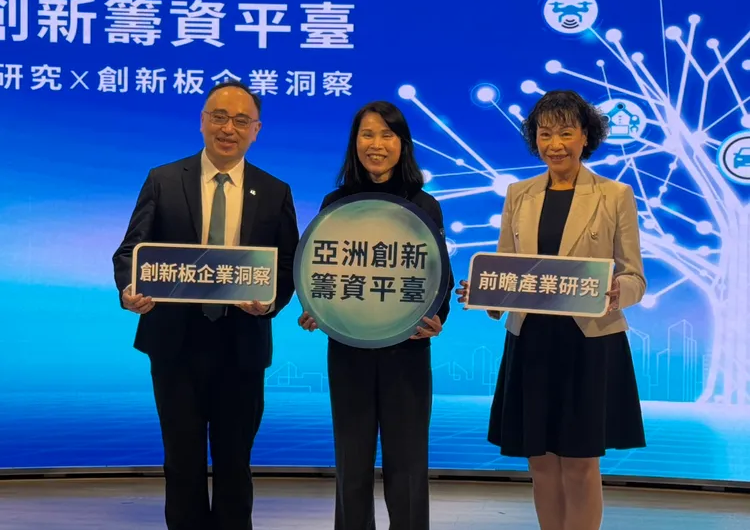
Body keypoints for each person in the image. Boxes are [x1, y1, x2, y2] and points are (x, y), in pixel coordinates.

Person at [112, 80, 300, 530]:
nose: (228, 128)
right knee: (182, 459)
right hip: (175, 344)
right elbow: (130, 252)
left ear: (256, 130)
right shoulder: (163, 179)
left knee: (235, 461)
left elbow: (288, 265)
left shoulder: (274, 190)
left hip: (242, 344)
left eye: (240, 120)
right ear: (202, 121)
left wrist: (269, 303)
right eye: (219, 117)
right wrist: (129, 289)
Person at [456, 90, 646, 530]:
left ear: (585, 137)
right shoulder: (518, 194)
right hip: (531, 341)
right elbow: (507, 268)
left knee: (580, 464)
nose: (554, 144)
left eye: (565, 133)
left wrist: (618, 291)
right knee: (540, 462)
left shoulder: (615, 195)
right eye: (545, 134)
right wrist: (485, 294)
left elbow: (635, 276)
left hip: (589, 341)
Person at [298, 101, 454, 530]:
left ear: (403, 144)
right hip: (349, 350)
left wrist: (437, 318)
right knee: (351, 465)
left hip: (407, 350)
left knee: (408, 466)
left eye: (388, 135)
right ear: (355, 143)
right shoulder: (335, 203)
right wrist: (314, 308)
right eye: (367, 134)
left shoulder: (424, 205)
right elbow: (321, 270)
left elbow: (440, 278)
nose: (377, 144)